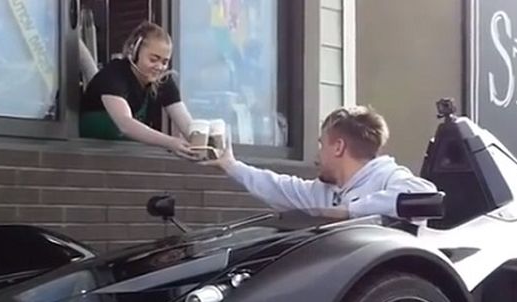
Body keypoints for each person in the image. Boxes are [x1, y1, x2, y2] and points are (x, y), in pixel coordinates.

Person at [201, 105, 437, 219]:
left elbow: (425, 195)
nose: (317, 156)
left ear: (339, 147)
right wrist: (230, 165)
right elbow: (277, 186)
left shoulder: (388, 177)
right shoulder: (324, 191)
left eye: (321, 145)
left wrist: (349, 212)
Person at [80, 21, 195, 157]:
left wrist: (201, 140)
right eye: (153, 59)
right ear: (134, 52)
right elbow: (125, 124)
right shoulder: (114, 75)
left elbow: (186, 123)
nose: (159, 67)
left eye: (164, 62)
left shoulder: (163, 80)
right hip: (90, 153)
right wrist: (170, 142)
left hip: (127, 154)